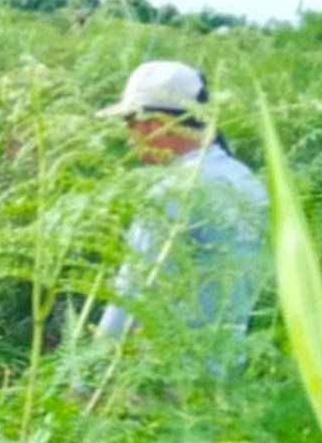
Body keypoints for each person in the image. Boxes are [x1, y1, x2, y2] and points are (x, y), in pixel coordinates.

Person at [94, 60, 268, 347]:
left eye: (131, 124)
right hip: (225, 364)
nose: (130, 140)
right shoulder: (246, 180)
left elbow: (134, 290)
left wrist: (85, 381)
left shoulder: (173, 192)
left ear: (157, 125)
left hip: (163, 372)